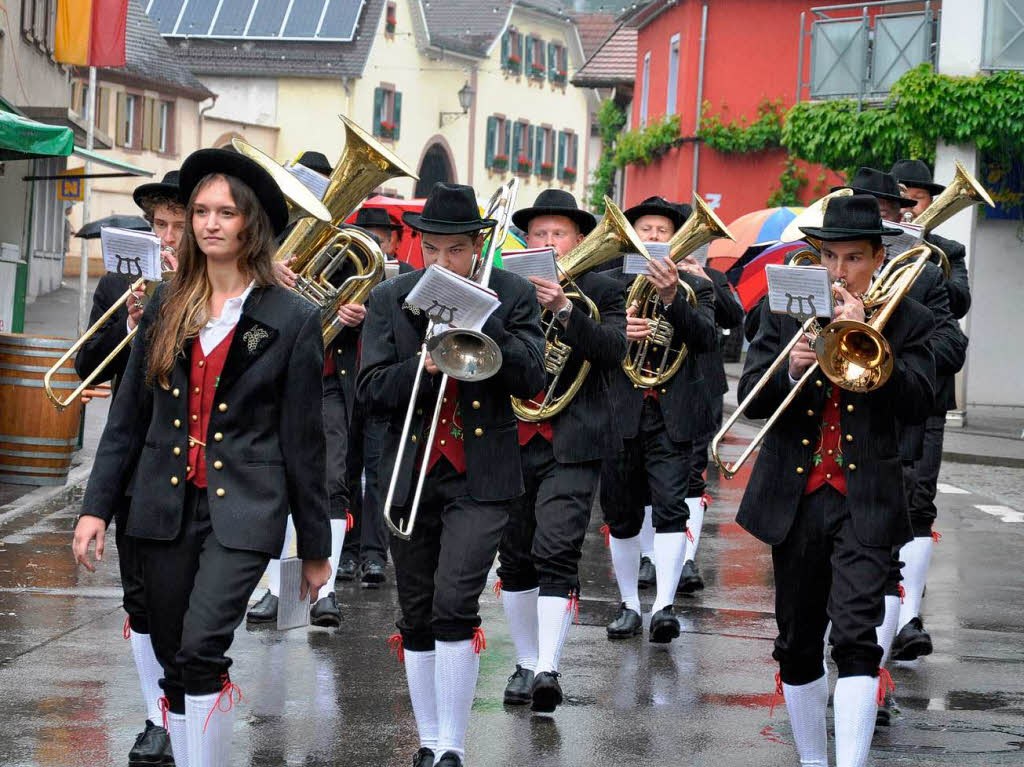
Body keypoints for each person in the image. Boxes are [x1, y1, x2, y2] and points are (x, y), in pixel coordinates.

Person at [72, 148, 333, 767]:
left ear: (252, 225)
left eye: (226, 212)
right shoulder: (165, 304)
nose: (210, 223)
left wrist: (315, 549)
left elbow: (304, 441)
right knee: (171, 655)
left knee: (201, 647)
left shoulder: (293, 318)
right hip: (161, 504)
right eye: (200, 212)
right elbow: (127, 420)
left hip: (244, 509)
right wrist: (95, 511)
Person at [737, 194, 935, 767]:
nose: (839, 272)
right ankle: (811, 760)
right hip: (796, 498)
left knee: (857, 638)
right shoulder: (783, 310)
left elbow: (920, 402)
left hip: (866, 498)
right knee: (797, 644)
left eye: (853, 259)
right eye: (829, 258)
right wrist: (791, 368)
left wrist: (875, 349)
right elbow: (752, 398)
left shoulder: (909, 320)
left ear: (877, 258)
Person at [358, 182, 545, 767]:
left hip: (481, 475)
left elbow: (533, 377)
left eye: (456, 250)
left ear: (477, 246)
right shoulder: (391, 298)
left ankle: (454, 749)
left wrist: (484, 335)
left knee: (456, 599)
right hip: (409, 473)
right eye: (432, 250)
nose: (442, 263)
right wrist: (423, 358)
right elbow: (368, 390)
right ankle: (429, 740)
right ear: (418, 245)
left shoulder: (511, 293)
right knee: (415, 610)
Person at [495, 190, 626, 713]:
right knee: (515, 556)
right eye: (539, 233)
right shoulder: (504, 288)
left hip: (574, 437)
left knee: (557, 548)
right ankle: (526, 662)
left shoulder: (604, 288)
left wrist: (567, 310)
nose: (548, 242)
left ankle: (549, 665)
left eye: (559, 233)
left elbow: (614, 351)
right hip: (512, 435)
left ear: (580, 240)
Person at [73, 169, 184, 767]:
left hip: (197, 454)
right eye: (157, 225)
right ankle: (156, 717)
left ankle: (188, 707)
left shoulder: (217, 287)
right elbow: (86, 367)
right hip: (137, 452)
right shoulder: (122, 282)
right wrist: (128, 321)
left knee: (190, 599)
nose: (165, 238)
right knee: (141, 597)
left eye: (176, 225)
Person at [599, 198, 717, 644]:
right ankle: (629, 604)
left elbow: (706, 338)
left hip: (671, 414)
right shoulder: (608, 284)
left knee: (671, 508)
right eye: (644, 229)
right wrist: (616, 333)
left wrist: (672, 298)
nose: (652, 237)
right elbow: (590, 343)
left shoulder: (694, 286)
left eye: (661, 229)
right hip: (619, 412)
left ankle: (664, 605)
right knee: (622, 514)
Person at [888, 159, 972, 662]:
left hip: (928, 394)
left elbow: (958, 304)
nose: (906, 210)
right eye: (898, 202)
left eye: (913, 201)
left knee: (918, 499)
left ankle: (911, 615)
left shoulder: (948, 251)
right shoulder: (866, 250)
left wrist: (929, 251)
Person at [340, 206, 414, 588]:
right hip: (345, 383)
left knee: (379, 473)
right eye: (367, 235)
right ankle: (347, 552)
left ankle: (374, 555)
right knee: (345, 473)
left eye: (381, 238)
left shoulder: (407, 279)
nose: (374, 244)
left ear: (395, 241)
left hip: (383, 386)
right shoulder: (344, 268)